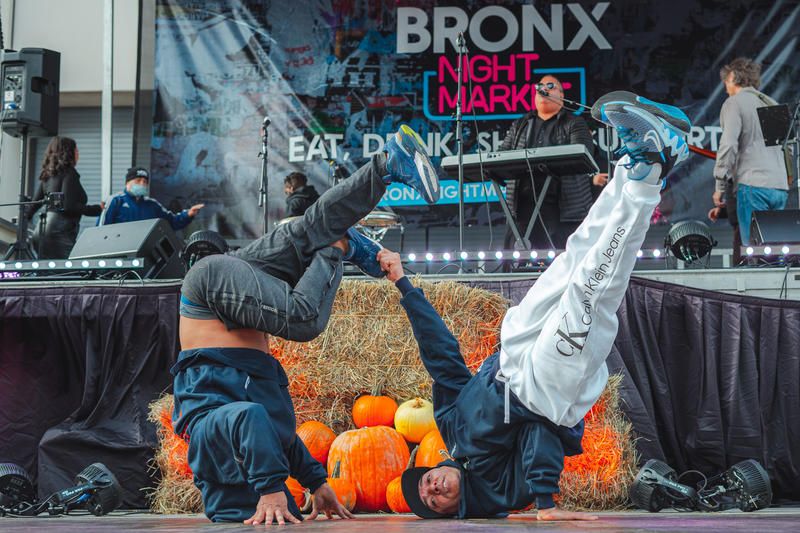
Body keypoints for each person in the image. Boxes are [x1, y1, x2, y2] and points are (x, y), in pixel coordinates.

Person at [390, 95, 690, 520]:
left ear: (430, 467)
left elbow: (443, 361)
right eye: (434, 501)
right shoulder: (495, 495)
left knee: (574, 256)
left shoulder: (452, 431)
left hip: (511, 352)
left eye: (425, 483)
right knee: (593, 285)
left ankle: (636, 163)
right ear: (454, 510)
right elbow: (540, 432)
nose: (433, 488)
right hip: (545, 392)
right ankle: (650, 172)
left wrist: (406, 288)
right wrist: (545, 503)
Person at [170, 125, 440, 524]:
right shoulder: (253, 440)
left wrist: (270, 489)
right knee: (309, 229)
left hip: (208, 292)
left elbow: (249, 420)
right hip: (233, 286)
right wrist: (317, 484)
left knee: (304, 318)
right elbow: (282, 441)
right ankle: (386, 164)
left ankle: (339, 246)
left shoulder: (208, 439)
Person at [500, 75, 608, 250]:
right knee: (517, 261)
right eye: (540, 86)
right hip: (523, 208)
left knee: (564, 263)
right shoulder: (520, 125)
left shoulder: (574, 123)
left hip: (563, 209)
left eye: (551, 86)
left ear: (562, 95)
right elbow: (502, 157)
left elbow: (582, 156)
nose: (544, 88)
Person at [713, 57, 790, 246]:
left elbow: (728, 144)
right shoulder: (772, 103)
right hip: (779, 187)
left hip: (753, 185)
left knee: (753, 253)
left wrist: (720, 186)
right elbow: (787, 148)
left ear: (733, 77)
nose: (725, 88)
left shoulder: (734, 103)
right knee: (777, 253)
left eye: (727, 81)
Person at [25, 136, 104, 259]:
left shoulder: (48, 175)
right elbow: (68, 206)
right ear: (69, 153)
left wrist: (24, 218)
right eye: (76, 150)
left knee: (47, 274)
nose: (78, 153)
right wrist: (96, 209)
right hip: (58, 232)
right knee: (70, 273)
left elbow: (34, 204)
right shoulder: (69, 173)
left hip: (40, 231)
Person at [97, 167, 205, 229]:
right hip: (118, 254)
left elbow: (171, 222)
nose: (142, 184)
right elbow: (100, 229)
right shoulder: (115, 201)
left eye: (145, 182)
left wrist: (188, 214)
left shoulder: (152, 204)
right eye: (138, 181)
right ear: (127, 183)